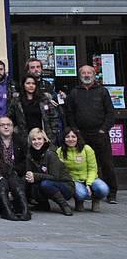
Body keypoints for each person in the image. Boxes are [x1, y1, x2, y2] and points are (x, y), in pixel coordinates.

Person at [64, 63, 116, 204]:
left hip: (100, 133)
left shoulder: (102, 91)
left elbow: (110, 113)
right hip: (81, 135)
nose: (86, 75)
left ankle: (111, 193)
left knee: (106, 163)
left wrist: (103, 129)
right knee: (83, 163)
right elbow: (69, 113)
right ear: (80, 76)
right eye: (84, 73)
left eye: (89, 73)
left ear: (94, 75)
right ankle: (87, 192)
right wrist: (75, 130)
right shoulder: (74, 93)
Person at [24, 127, 74, 216]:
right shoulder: (29, 155)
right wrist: (29, 177)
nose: (37, 142)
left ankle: (64, 205)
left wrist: (35, 176)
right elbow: (29, 172)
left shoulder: (51, 153)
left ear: (44, 140)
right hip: (44, 181)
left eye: (39, 139)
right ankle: (43, 205)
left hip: (64, 185)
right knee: (29, 183)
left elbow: (54, 177)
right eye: (33, 139)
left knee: (45, 184)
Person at [58, 126, 110, 212]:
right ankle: (79, 201)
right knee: (81, 194)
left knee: (103, 189)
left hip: (90, 178)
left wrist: (88, 184)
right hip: (73, 180)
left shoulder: (87, 149)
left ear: (78, 138)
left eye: (73, 137)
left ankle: (96, 199)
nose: (70, 139)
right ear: (63, 139)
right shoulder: (60, 151)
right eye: (67, 137)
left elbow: (92, 169)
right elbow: (60, 170)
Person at [14, 75, 61, 144]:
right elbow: (12, 118)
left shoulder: (44, 99)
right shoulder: (17, 101)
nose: (31, 85)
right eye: (28, 83)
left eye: (33, 83)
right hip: (25, 137)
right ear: (23, 85)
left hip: (44, 136)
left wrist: (53, 133)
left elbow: (54, 117)